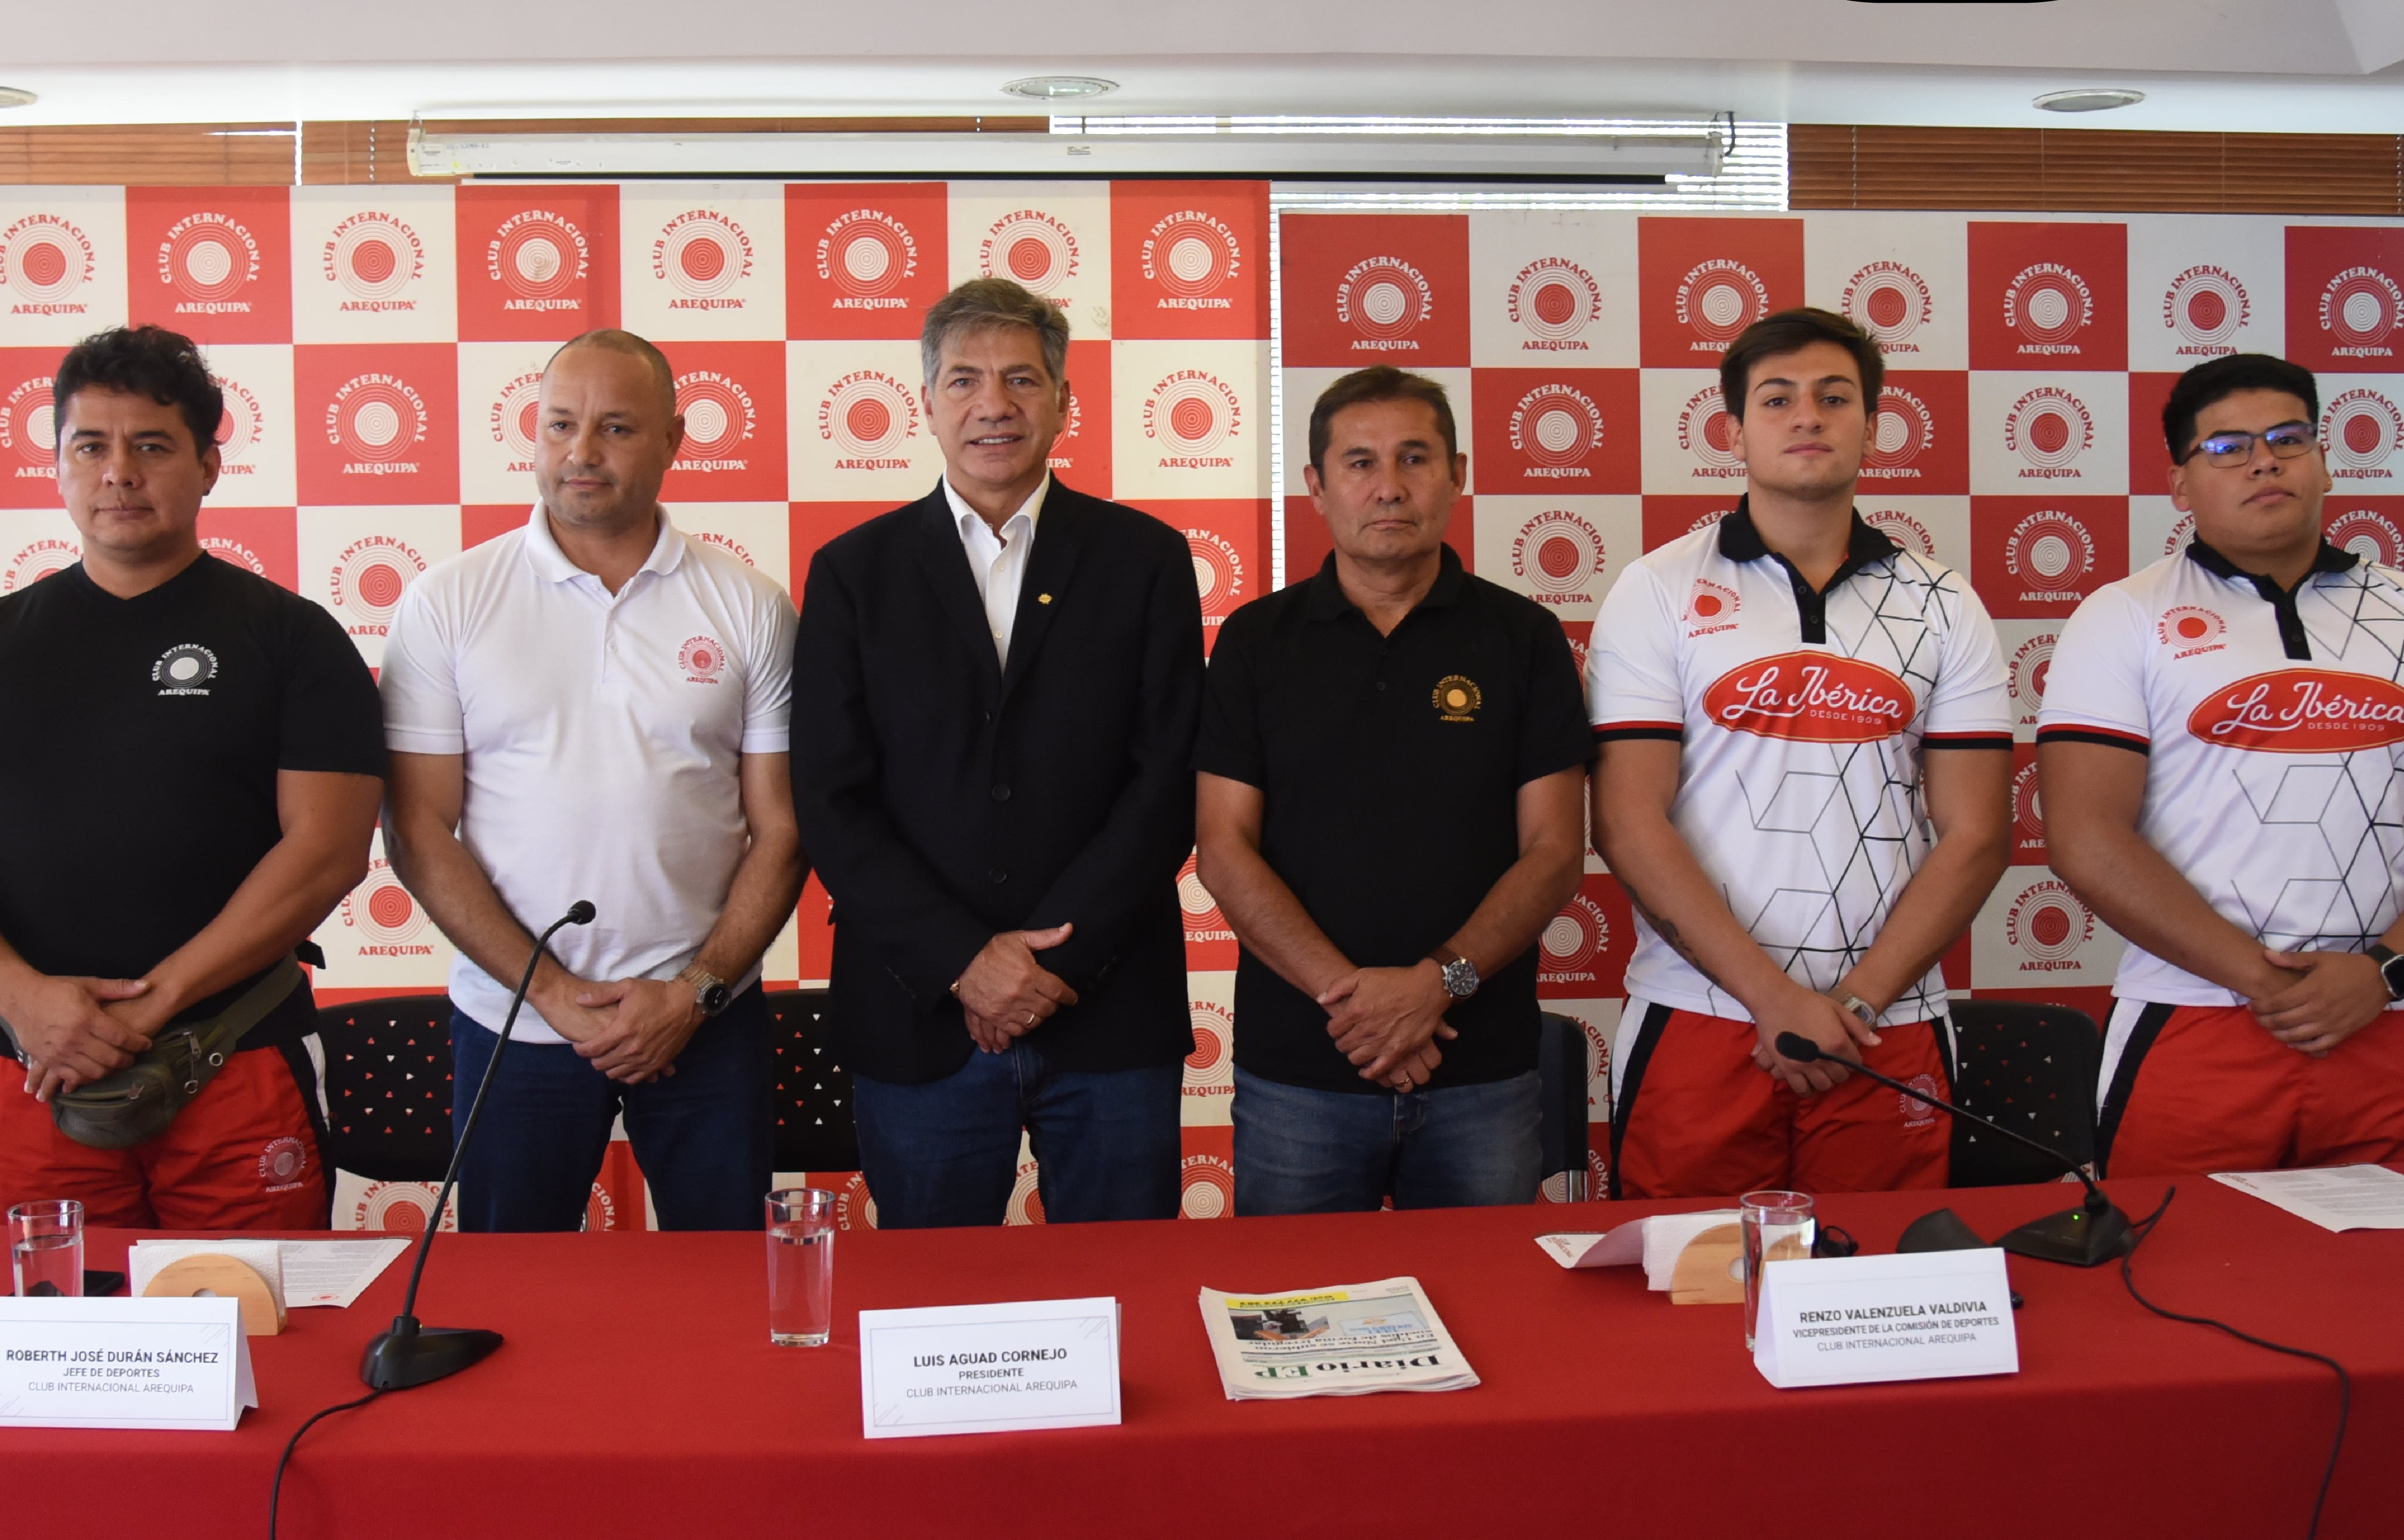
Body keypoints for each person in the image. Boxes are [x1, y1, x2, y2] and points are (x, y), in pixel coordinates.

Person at [790, 278, 1203, 1228]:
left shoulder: (1144, 558)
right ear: (926, 403)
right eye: (966, 380)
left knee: (1124, 1297)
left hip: (1109, 1007)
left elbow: (1167, 778)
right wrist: (964, 962)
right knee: (936, 1316)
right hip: (918, 1012)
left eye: (1023, 379)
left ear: (1063, 401)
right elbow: (830, 799)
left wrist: (1053, 964)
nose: (995, 405)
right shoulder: (855, 573)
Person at [380, 328, 803, 1232]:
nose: (581, 453)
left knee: (725, 1304)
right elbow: (417, 828)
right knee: (512, 1302)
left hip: (704, 1023)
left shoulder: (750, 604)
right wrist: (554, 996)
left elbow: (784, 830)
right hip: (513, 1025)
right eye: (560, 425)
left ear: (675, 440)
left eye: (615, 428)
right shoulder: (448, 600)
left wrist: (692, 994)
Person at [1589, 307, 2013, 1199]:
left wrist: (1853, 1005)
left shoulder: (1943, 602)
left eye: (1834, 397)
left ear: (1873, 422)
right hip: (1703, 1017)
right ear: (1736, 429)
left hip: (1888, 1021)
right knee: (1687, 1298)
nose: (1807, 417)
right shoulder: (1658, 588)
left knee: (1883, 1303)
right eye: (1778, 399)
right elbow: (1630, 820)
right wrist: (1774, 1002)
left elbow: (1976, 833)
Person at [0, 325, 383, 1228]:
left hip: (234, 1056)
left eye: (153, 446)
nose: (119, 472)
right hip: (33, 1062)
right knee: (50, 1354)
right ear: (55, 465)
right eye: (90, 446)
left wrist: (159, 1002)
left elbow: (327, 853)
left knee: (263, 1339)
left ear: (210, 465)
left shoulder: (293, 638)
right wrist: (21, 998)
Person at [1194, 367, 1591, 1214]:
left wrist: (1432, 988)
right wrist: (1359, 1005)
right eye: (1360, 461)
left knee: (1497, 1324)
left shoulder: (1523, 637)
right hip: (1301, 1074)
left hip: (1479, 1072)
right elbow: (1224, 847)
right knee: (1289, 1326)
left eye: (1416, 458)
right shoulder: (1256, 641)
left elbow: (1555, 852)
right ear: (1316, 485)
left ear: (1458, 474)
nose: (1389, 486)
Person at [2041, 353, 2404, 1177]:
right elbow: (2085, 836)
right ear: (2179, 485)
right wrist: (2264, 982)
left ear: (2324, 460)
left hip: (2387, 1014)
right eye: (2229, 447)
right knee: (2168, 1279)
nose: (2265, 460)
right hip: (2198, 1014)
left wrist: (2383, 972)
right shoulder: (2124, 617)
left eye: (2288, 438)